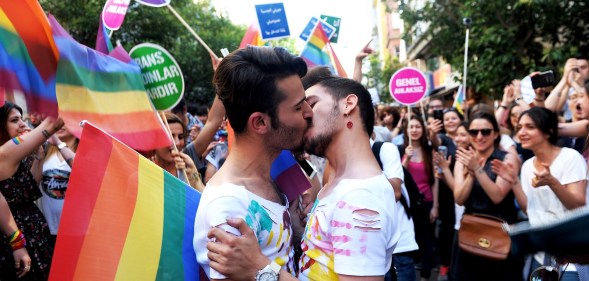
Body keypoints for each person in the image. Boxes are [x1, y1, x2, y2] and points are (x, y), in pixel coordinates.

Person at [205, 77, 399, 280]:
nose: (305, 115)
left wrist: (260, 268)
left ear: (348, 105)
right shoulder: (340, 186)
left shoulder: (361, 196)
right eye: (300, 107)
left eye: (312, 104)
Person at [193, 46, 313, 280]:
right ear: (260, 123)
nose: (309, 113)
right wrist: (264, 270)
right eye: (299, 107)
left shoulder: (269, 177)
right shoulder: (229, 205)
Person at [492, 107, 587, 281]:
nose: (522, 132)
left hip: (570, 257)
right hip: (541, 256)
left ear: (549, 130)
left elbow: (578, 206)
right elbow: (531, 210)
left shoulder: (570, 157)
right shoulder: (528, 165)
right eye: (519, 127)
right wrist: (514, 181)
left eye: (530, 127)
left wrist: (552, 182)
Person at [452, 111, 523, 281]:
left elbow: (497, 196)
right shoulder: (463, 159)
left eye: (485, 131)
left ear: (496, 134)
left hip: (500, 231)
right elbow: (459, 199)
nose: (479, 136)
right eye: (474, 132)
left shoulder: (507, 159)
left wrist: (478, 170)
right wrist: (470, 174)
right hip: (471, 229)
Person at [0, 102, 62, 280]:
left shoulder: (15, 156)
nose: (22, 124)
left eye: (21, 118)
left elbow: (27, 190)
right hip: (15, 235)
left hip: (32, 231)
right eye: (14, 120)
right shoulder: (4, 153)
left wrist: (39, 159)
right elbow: (54, 123)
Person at [401, 115, 438, 281]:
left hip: (427, 201)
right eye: (411, 127)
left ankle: (426, 274)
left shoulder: (429, 150)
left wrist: (436, 206)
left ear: (423, 130)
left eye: (418, 127)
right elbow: (398, 175)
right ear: (406, 130)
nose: (414, 130)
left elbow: (434, 180)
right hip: (409, 203)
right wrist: (406, 158)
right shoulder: (399, 149)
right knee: (414, 236)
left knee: (428, 238)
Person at [34, 125, 77, 248]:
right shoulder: (46, 150)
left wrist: (58, 142)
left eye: (65, 121)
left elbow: (82, 169)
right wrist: (38, 158)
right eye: (57, 121)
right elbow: (32, 186)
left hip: (75, 231)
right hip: (46, 229)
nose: (60, 125)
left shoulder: (85, 150)